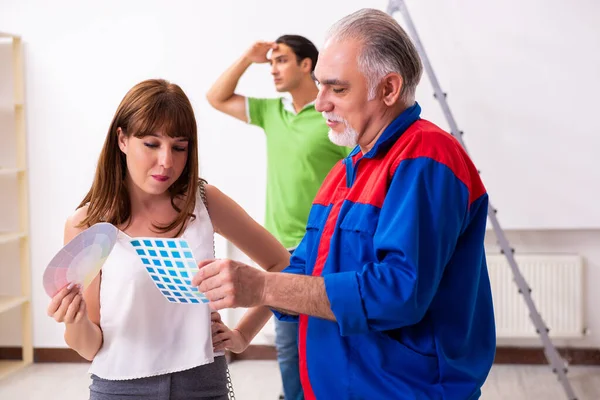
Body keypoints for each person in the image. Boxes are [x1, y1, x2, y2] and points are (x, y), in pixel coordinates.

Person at [193, 8, 496, 400]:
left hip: (403, 390)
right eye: (319, 86)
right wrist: (244, 330)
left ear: (388, 89)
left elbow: (398, 293)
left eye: (337, 89)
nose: (320, 104)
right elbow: (302, 267)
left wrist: (263, 285)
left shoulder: (427, 158)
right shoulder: (345, 171)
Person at [46, 78, 291, 399]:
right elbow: (90, 347)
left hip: (203, 383)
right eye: (151, 144)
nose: (167, 161)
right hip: (120, 389)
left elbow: (281, 263)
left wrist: (244, 334)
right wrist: (74, 321)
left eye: (179, 147)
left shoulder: (204, 201)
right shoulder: (88, 224)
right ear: (122, 139)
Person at [206, 34, 350, 400]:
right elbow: (216, 97)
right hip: (283, 251)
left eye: (281, 60)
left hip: (327, 250)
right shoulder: (274, 113)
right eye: (270, 62)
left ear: (307, 66)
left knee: (329, 344)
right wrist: (246, 57)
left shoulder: (331, 117)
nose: (273, 69)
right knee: (288, 347)